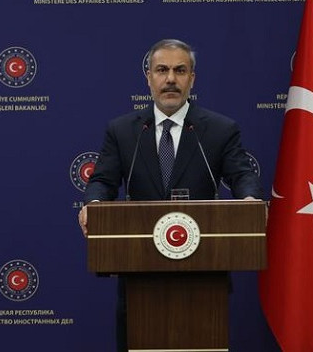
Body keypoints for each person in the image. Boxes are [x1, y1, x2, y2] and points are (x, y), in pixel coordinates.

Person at [76, 39, 263, 351]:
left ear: (192, 79)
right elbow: (102, 181)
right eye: (162, 70)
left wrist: (250, 200)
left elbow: (242, 175)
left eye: (180, 70)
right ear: (148, 77)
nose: (171, 79)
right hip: (139, 276)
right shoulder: (123, 131)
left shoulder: (220, 129)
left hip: (203, 277)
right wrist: (93, 204)